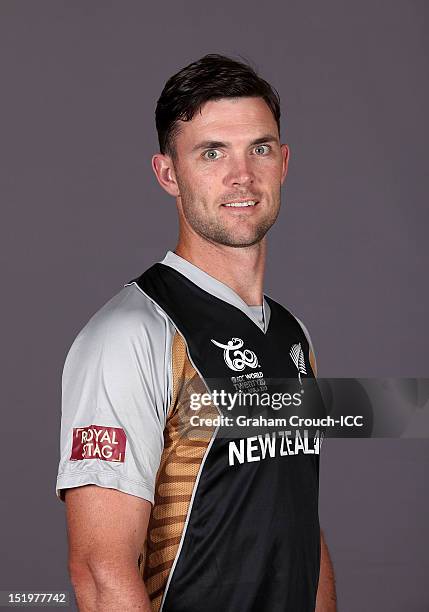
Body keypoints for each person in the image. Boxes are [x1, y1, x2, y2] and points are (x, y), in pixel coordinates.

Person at [56, 53, 337, 611]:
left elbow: (300, 522)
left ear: (283, 162)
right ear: (169, 174)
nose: (242, 176)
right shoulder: (132, 334)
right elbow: (98, 569)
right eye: (212, 153)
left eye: (259, 148)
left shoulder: (293, 335)